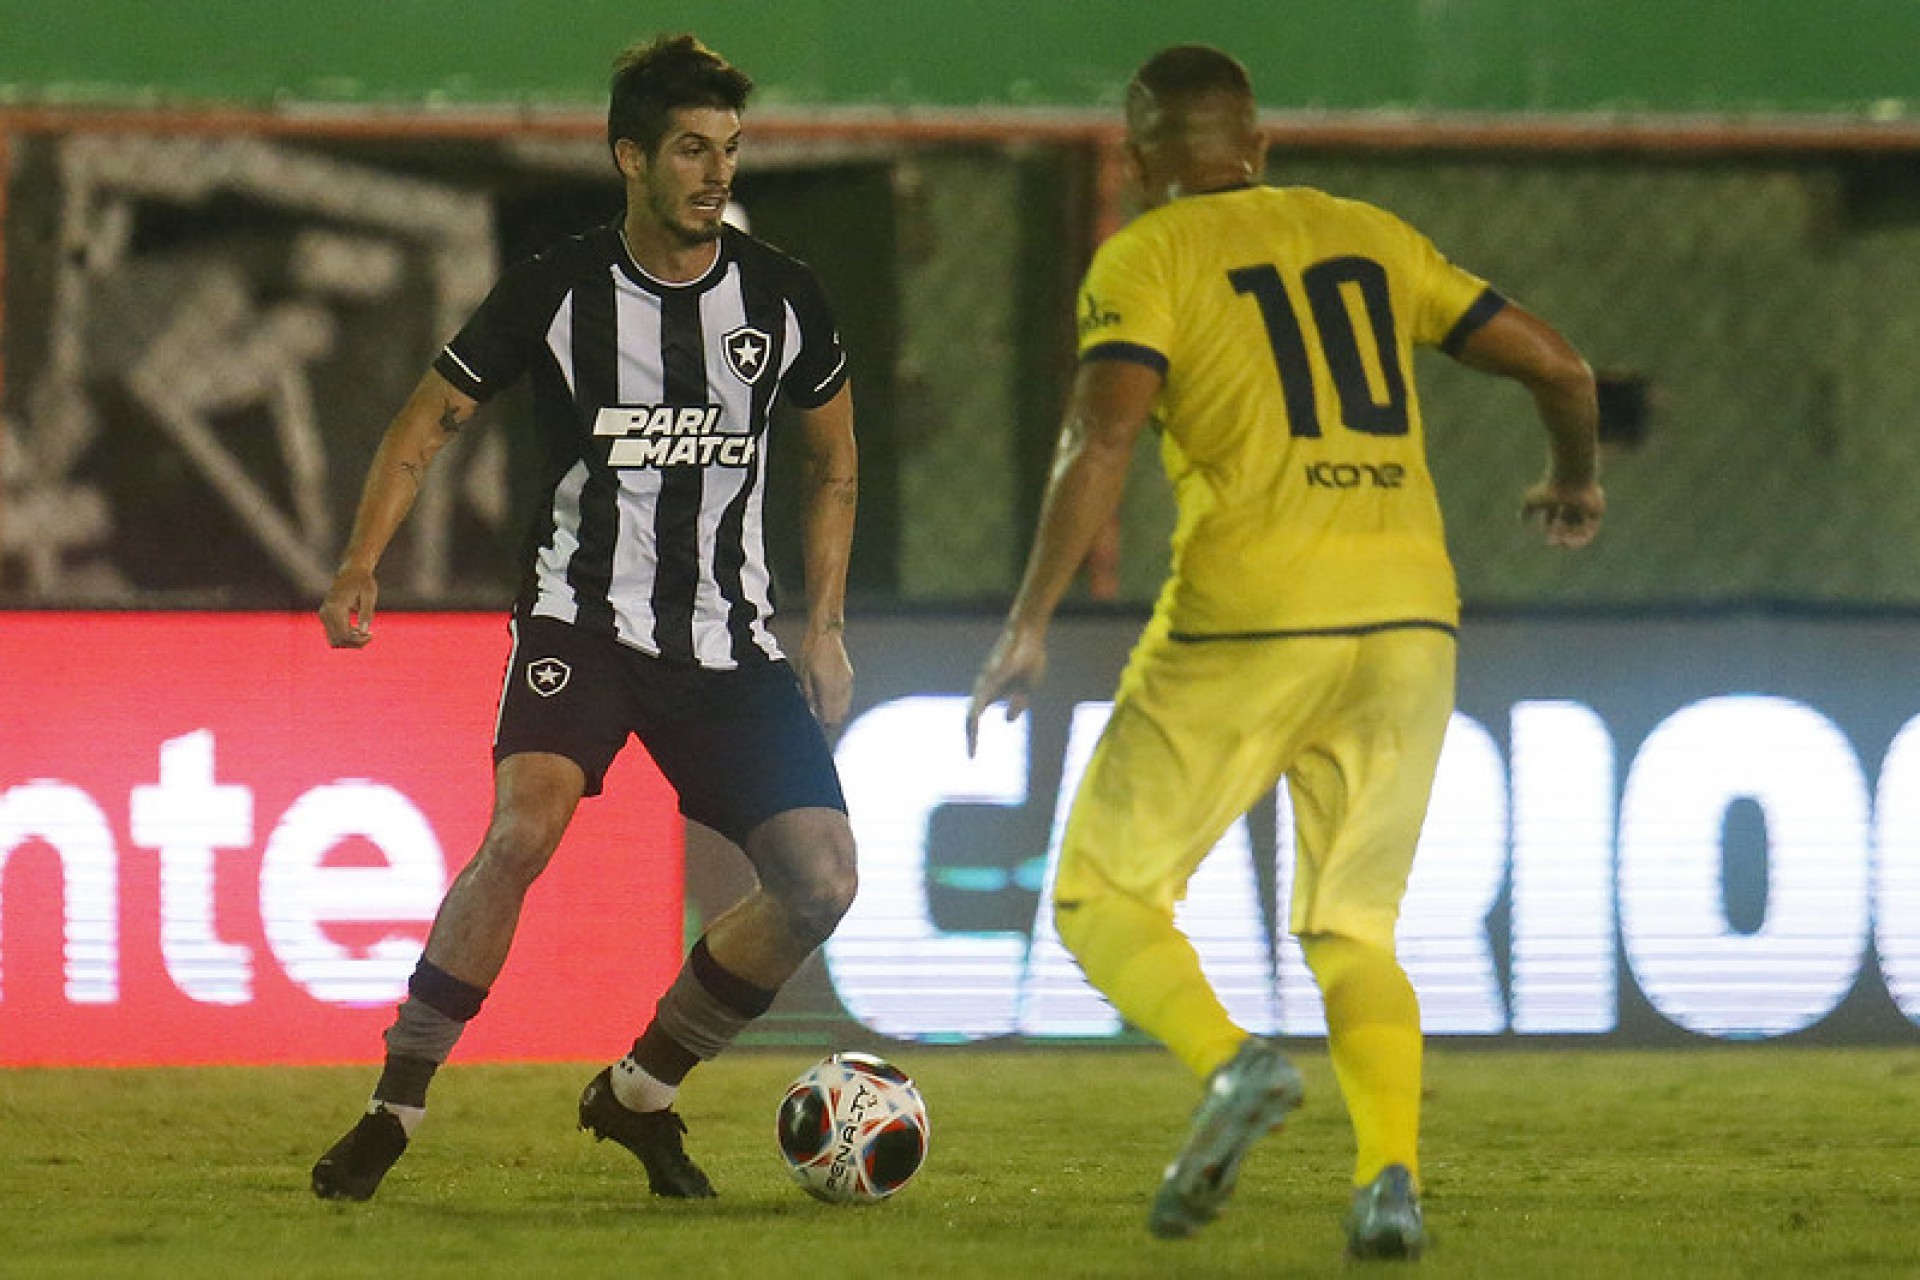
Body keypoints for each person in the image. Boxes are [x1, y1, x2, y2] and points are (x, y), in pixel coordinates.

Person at [966, 45, 1603, 1261]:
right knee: (1355, 929)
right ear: (1257, 145)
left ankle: (1231, 1064)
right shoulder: (1370, 234)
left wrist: (1030, 618)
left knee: (1104, 895)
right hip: (1411, 620)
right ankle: (1388, 1183)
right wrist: (1573, 477)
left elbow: (1099, 441)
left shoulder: (1146, 255)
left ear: (1141, 155)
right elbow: (1561, 364)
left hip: (1252, 609)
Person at [310, 33, 860, 1204]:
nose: (716, 172)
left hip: (729, 634)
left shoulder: (784, 297)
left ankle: (642, 1090)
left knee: (820, 882)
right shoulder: (557, 290)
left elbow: (834, 467)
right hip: (583, 620)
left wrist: (823, 627)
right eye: (691, 150)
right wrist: (361, 562)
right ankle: (393, 1105)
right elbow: (425, 422)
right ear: (630, 159)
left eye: (729, 149)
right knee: (523, 828)